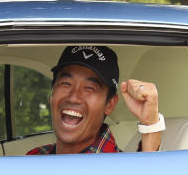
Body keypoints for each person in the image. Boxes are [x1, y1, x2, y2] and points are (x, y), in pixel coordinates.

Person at [27, 45, 163, 155]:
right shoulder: (35, 157)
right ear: (51, 93)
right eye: (66, 83)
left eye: (89, 88)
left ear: (110, 104)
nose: (73, 97)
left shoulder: (119, 171)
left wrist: (151, 125)